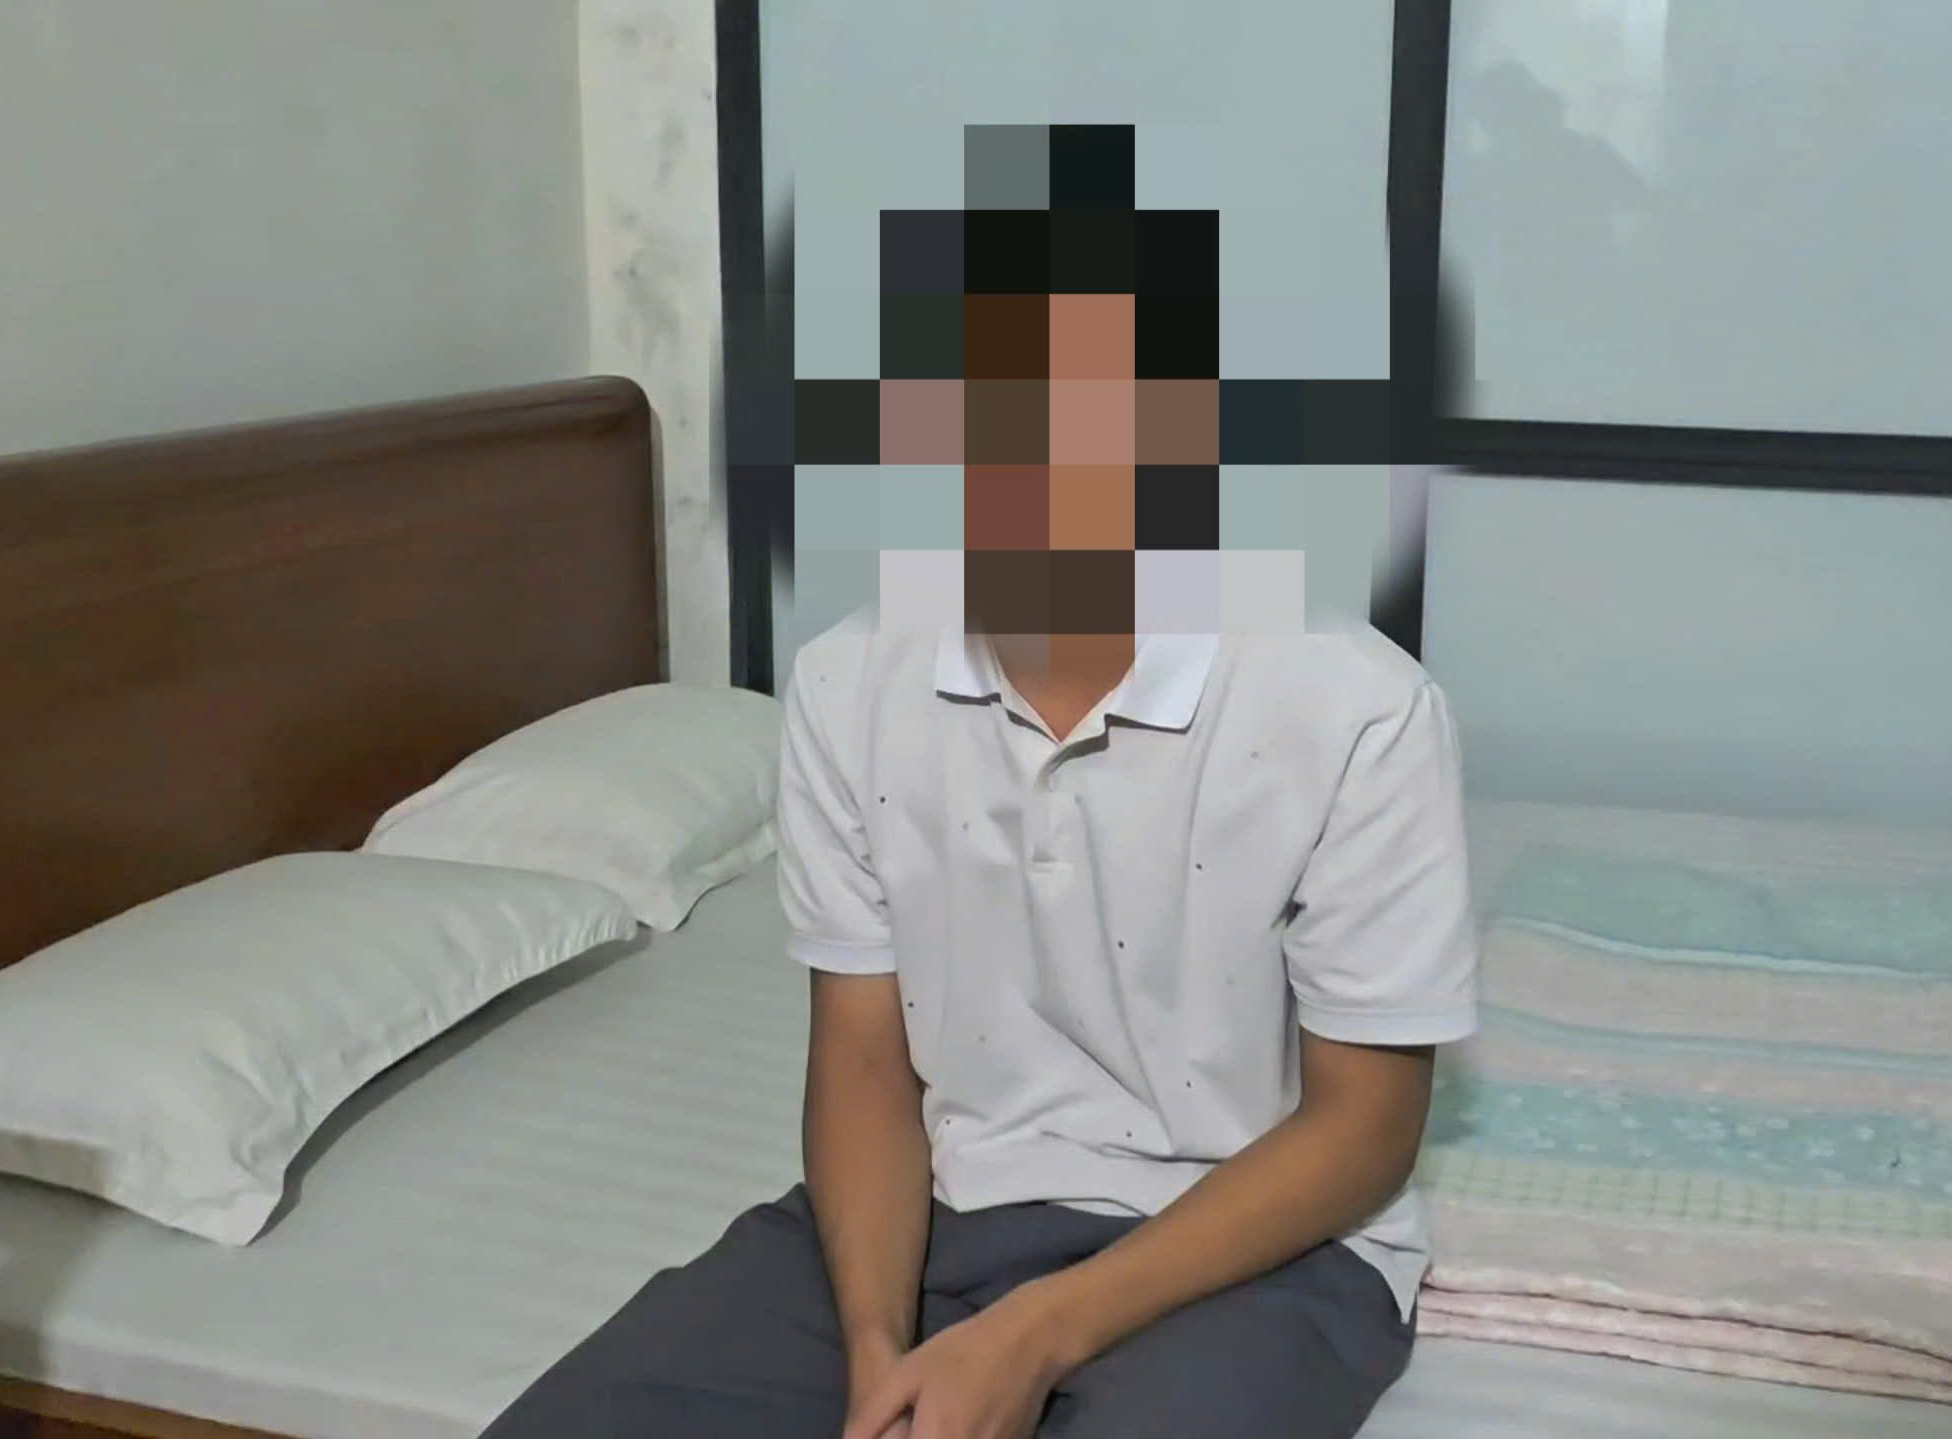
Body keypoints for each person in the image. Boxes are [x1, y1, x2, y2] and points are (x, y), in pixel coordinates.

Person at [482, 123, 1477, 1439]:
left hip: (1258, 1243)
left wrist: (1034, 1333)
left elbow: (1365, 1127)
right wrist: (874, 1346)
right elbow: (861, 1054)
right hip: (941, 1208)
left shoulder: (1355, 707)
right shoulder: (849, 682)